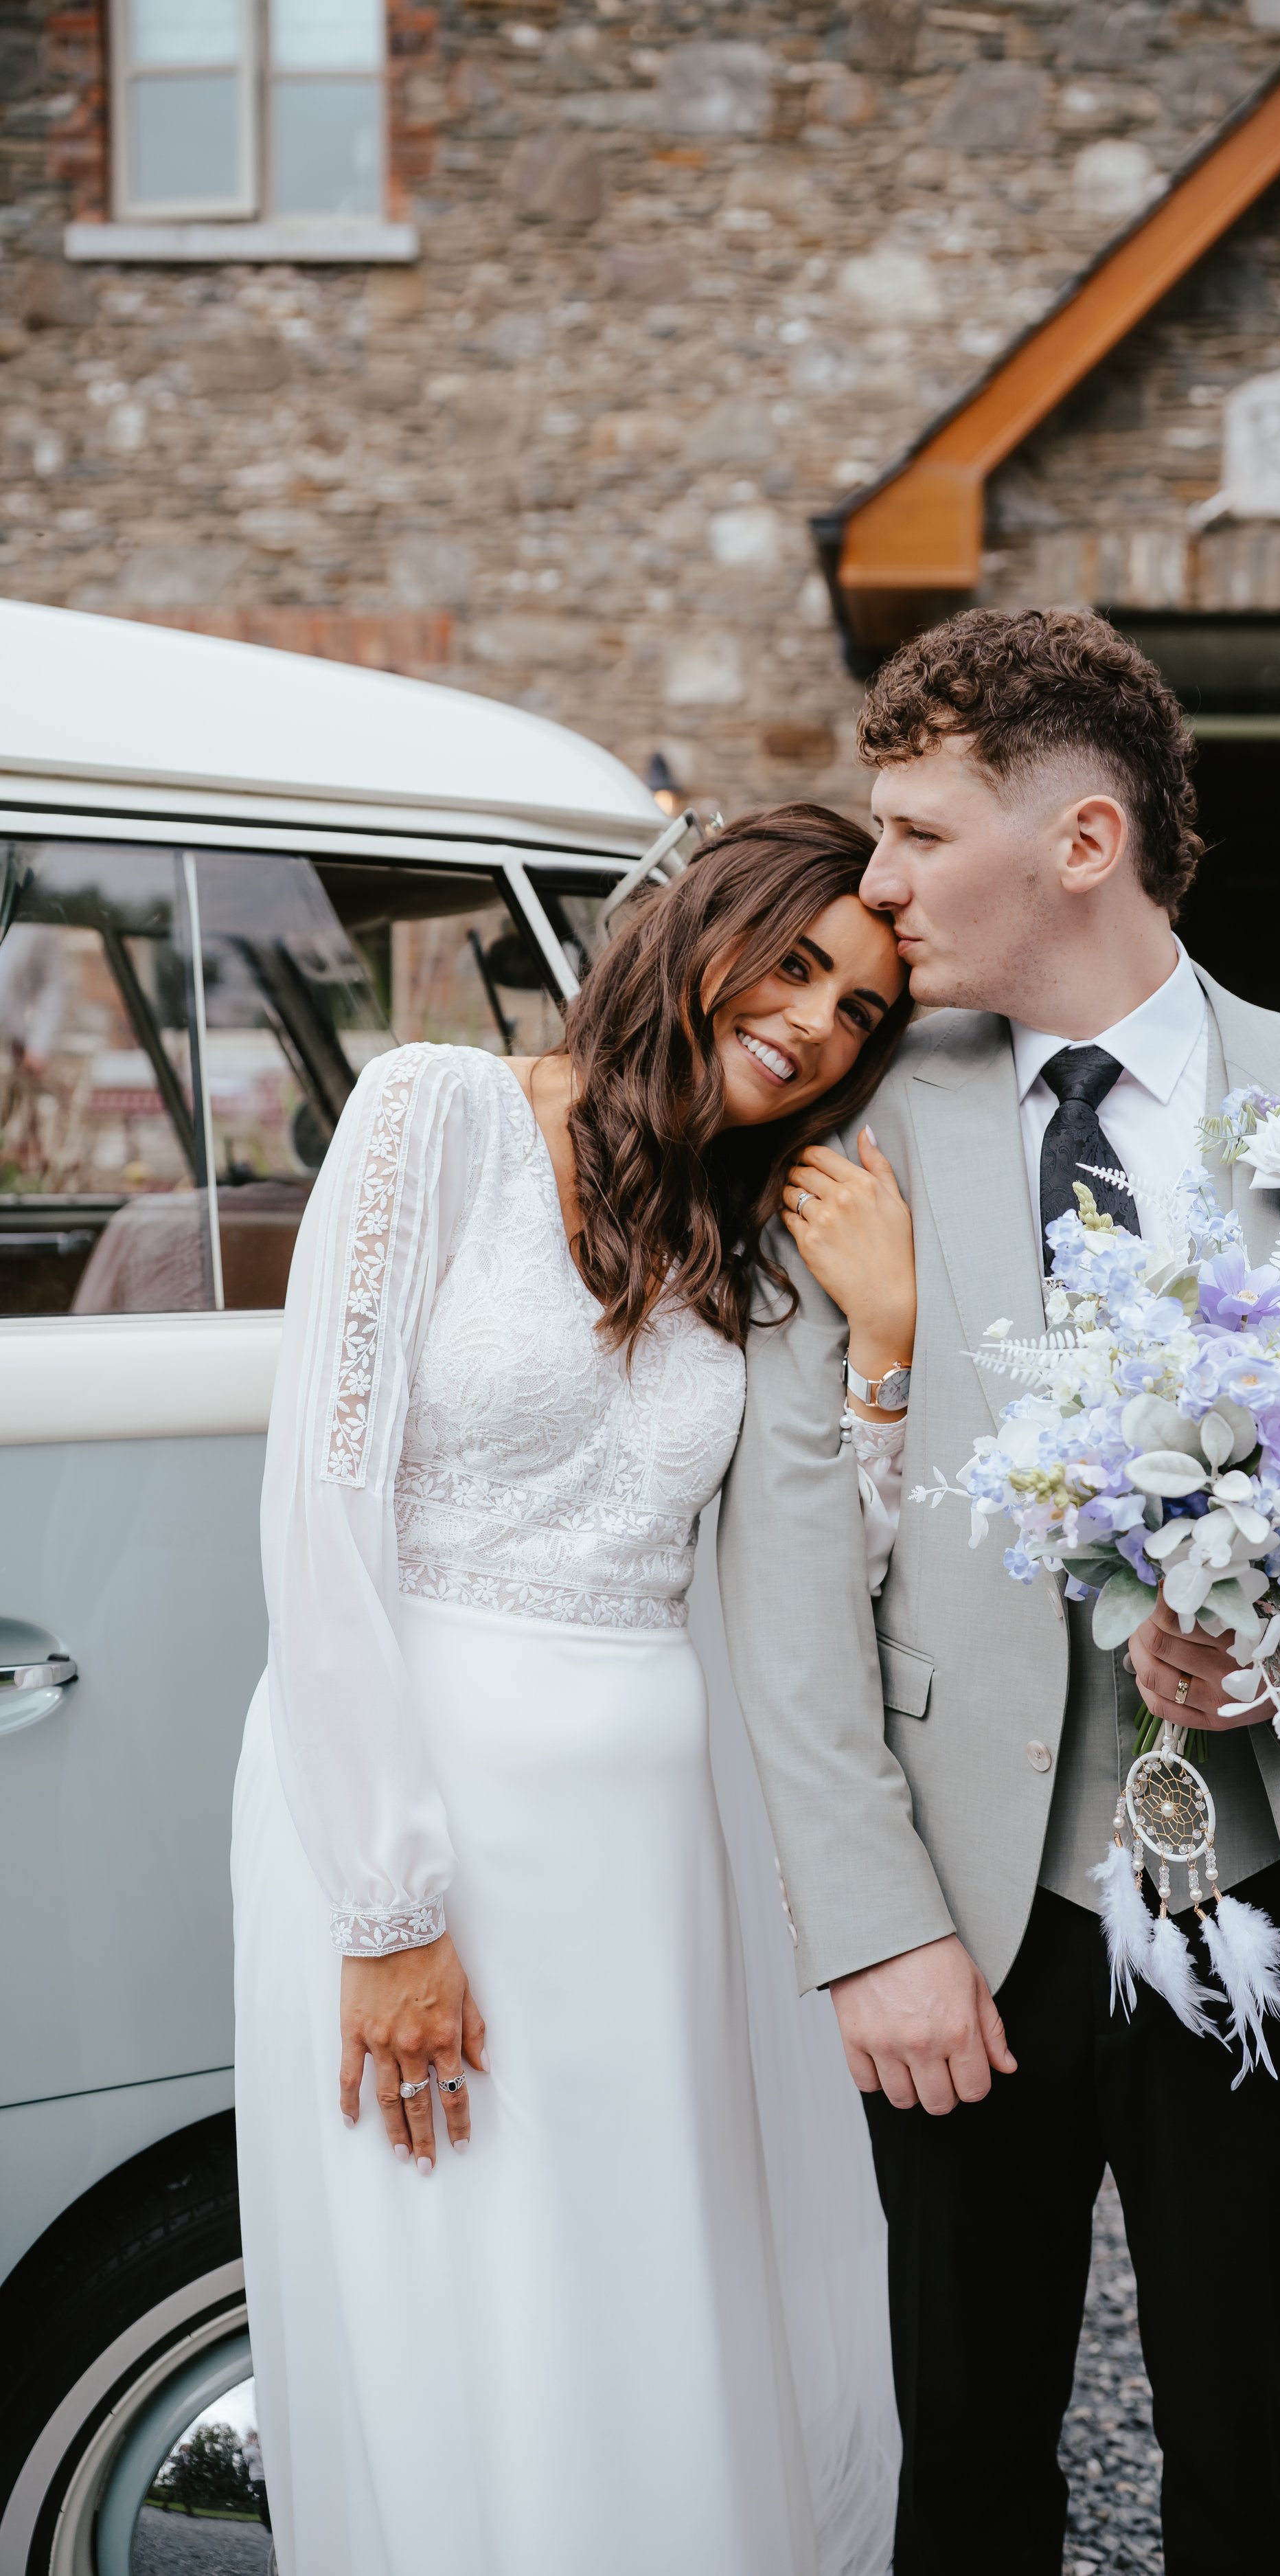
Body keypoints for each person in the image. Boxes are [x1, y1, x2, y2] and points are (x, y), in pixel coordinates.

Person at [721, 610, 1280, 2576]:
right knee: (962, 2460)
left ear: (1080, 843)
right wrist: (869, 1927)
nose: (879, 881)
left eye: (921, 833)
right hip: (961, 1917)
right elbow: (782, 1550)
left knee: (1254, 2452)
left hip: (1264, 1895)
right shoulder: (855, 1116)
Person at [231, 804, 919, 2576]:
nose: (818, 1027)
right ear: (702, 925)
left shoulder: (751, 1232)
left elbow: (803, 1590)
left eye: (862, 1014)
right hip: (422, 1813)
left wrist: (889, 1351)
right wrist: (388, 1905)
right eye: (799, 963)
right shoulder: (434, 1114)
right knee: (462, 2302)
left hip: (653, 1850)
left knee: (648, 2301)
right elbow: (322, 1515)